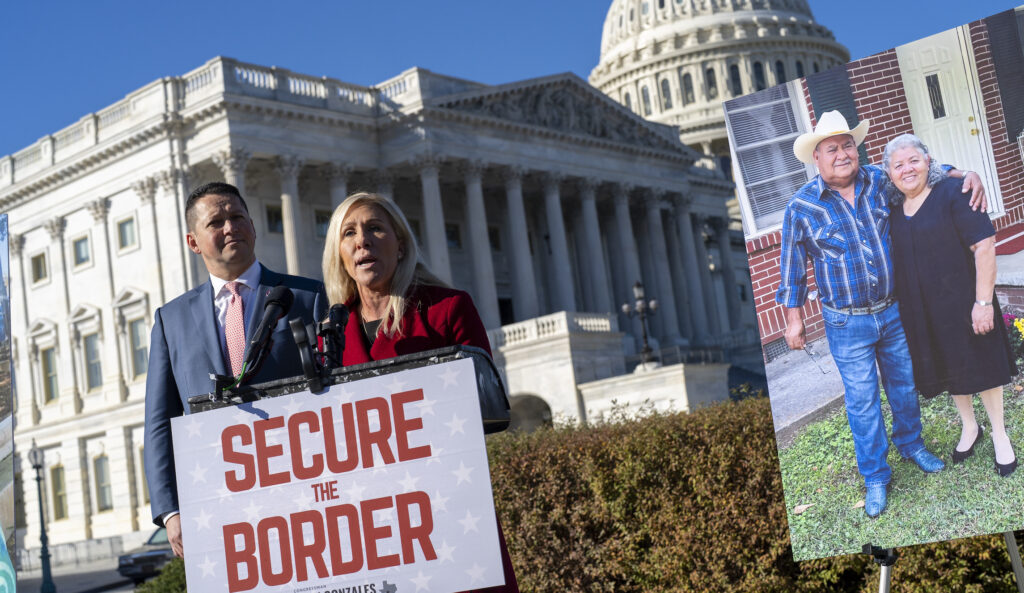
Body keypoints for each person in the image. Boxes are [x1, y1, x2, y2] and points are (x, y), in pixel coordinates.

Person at [777, 111, 985, 518]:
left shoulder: (878, 179)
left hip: (892, 312)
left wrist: (967, 172)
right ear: (816, 158)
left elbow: (925, 170)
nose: (842, 154)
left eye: (848, 145)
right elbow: (791, 268)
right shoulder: (801, 207)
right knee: (862, 401)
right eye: (832, 148)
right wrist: (794, 319)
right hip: (845, 321)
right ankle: (875, 476)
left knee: (904, 386)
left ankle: (912, 446)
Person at [322, 191, 519, 593]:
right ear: (340, 254)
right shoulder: (333, 330)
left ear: (401, 243)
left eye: (376, 228)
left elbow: (485, 406)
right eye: (350, 233)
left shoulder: (447, 309)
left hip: (446, 508)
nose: (363, 240)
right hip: (373, 522)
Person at [144, 182, 327, 558]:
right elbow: (160, 420)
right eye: (216, 222)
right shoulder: (170, 320)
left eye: (238, 217)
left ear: (253, 227)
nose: (231, 227)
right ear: (193, 242)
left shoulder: (309, 298)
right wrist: (170, 510)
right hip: (216, 495)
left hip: (304, 486)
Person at [884, 134, 1017, 477]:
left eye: (914, 160)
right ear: (889, 173)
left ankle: (1001, 435)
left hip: (965, 302)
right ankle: (970, 427)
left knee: (982, 365)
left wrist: (983, 302)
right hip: (924, 310)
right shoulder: (893, 208)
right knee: (949, 366)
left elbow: (985, 246)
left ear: (929, 161)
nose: (907, 169)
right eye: (898, 165)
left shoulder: (954, 194)